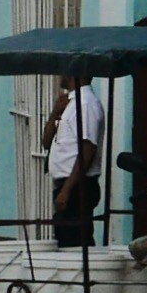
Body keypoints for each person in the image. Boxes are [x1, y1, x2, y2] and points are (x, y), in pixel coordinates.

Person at [39, 74, 109, 246]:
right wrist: (54, 114)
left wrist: (67, 189)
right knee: (67, 237)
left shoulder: (85, 104)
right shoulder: (69, 104)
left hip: (78, 185)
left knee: (75, 242)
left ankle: (85, 272)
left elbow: (88, 148)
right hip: (67, 184)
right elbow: (46, 143)